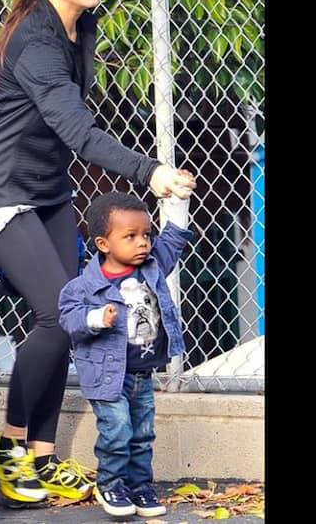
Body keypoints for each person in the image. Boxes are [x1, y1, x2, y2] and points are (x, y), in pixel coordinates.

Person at [0, 0, 196, 505]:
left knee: (76, 311)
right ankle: (9, 447)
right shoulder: (37, 42)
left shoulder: (79, 26)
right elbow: (79, 131)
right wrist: (151, 172)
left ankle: (41, 456)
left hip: (47, 189)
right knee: (54, 315)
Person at [58, 191, 193, 517]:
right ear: (104, 244)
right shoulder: (85, 286)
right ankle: (111, 484)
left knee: (143, 433)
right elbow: (68, 317)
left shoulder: (150, 267)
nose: (143, 243)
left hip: (142, 374)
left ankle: (139, 486)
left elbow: (174, 242)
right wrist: (95, 318)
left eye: (146, 234)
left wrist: (179, 200)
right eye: (130, 237)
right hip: (107, 377)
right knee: (118, 430)